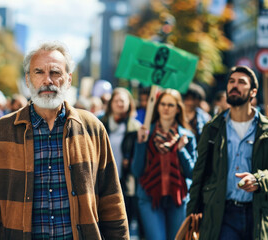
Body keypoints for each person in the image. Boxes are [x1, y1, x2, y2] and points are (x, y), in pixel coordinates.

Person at [0, 41, 129, 239]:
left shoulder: (92, 129)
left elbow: (112, 203)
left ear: (68, 80)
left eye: (55, 72)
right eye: (39, 72)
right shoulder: (1, 133)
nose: (47, 80)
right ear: (28, 80)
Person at [187, 66, 268, 240]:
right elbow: (199, 173)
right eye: (231, 81)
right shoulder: (212, 129)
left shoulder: (265, 130)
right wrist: (191, 213)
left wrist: (258, 180)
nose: (234, 86)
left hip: (258, 213)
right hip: (221, 214)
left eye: (241, 82)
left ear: (253, 92)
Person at [132, 89, 196, 240]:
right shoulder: (146, 133)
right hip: (149, 197)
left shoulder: (187, 136)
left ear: (178, 108)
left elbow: (193, 172)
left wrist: (181, 150)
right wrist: (141, 144)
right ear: (157, 107)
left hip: (178, 198)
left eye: (171, 105)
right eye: (163, 104)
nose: (166, 108)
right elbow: (137, 171)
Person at [99, 87, 141, 238]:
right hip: (102, 180)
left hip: (125, 180)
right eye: (116, 100)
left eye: (123, 101)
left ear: (129, 103)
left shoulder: (135, 128)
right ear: (111, 104)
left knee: (123, 222)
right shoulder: (99, 123)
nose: (120, 104)